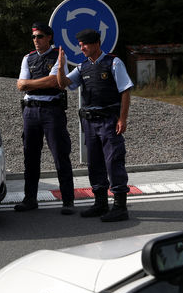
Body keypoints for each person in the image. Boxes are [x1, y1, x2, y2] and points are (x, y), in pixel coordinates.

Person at [57, 28, 134, 222]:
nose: (81, 48)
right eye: (80, 45)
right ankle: (100, 202)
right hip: (90, 123)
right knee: (95, 163)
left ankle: (119, 206)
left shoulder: (114, 63)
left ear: (96, 44)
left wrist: (122, 119)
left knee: (113, 161)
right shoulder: (83, 67)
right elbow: (63, 83)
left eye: (85, 44)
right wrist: (60, 67)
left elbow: (125, 91)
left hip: (109, 121)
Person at [15, 22, 75, 214]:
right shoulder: (28, 58)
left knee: (60, 155)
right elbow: (20, 85)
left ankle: (68, 201)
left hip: (52, 111)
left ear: (49, 37)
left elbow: (54, 81)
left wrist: (30, 84)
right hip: (31, 111)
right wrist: (36, 84)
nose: (36, 40)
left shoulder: (58, 56)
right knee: (30, 157)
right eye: (33, 37)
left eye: (39, 36)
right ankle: (30, 199)